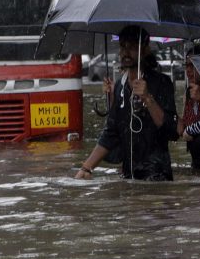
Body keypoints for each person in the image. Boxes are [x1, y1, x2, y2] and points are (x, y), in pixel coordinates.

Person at [75, 26, 178, 181]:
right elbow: (111, 132)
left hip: (157, 177)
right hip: (128, 176)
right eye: (123, 46)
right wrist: (86, 167)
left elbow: (172, 131)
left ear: (145, 49)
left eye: (131, 47)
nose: (125, 52)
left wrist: (147, 99)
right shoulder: (119, 86)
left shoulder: (162, 83)